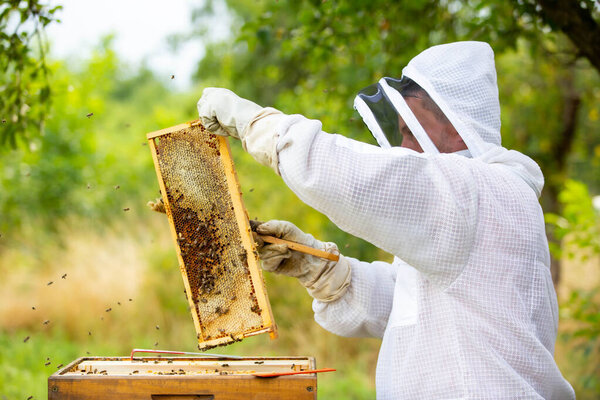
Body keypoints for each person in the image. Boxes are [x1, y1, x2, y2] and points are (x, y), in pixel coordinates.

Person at [195, 41, 575, 399]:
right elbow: (410, 303)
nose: (404, 148)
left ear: (456, 125)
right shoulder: (473, 207)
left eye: (410, 131)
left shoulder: (481, 194)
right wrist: (320, 270)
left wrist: (259, 126)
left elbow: (351, 177)